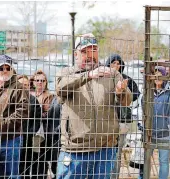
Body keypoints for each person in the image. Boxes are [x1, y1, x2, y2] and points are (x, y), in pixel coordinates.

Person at [56, 33, 132, 179]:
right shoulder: (66, 73)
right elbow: (60, 89)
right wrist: (89, 75)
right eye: (85, 51)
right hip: (75, 150)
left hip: (105, 149)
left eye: (94, 50)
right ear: (76, 54)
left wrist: (121, 92)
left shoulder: (112, 74)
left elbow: (127, 101)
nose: (90, 55)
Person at [0, 55, 29, 178]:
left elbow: (23, 112)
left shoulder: (18, 88)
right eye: (2, 68)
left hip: (10, 140)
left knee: (12, 176)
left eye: (8, 68)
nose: (5, 71)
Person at [138, 66, 170, 179]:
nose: (158, 78)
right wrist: (143, 125)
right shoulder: (146, 93)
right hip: (149, 134)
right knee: (144, 161)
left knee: (164, 162)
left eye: (160, 75)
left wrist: (168, 125)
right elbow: (141, 109)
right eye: (155, 75)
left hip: (166, 134)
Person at [105, 54, 140, 178]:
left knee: (117, 153)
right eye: (113, 62)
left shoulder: (125, 78)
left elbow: (137, 93)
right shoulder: (104, 78)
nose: (116, 65)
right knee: (105, 153)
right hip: (106, 121)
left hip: (121, 121)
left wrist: (126, 97)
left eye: (118, 63)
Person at [30, 70, 61, 178]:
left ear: (46, 82)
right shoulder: (29, 94)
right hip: (29, 131)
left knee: (39, 158)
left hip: (42, 132)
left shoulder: (49, 96)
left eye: (43, 81)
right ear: (33, 82)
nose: (40, 83)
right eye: (37, 80)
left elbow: (48, 114)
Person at [18, 75, 42, 179]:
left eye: (27, 85)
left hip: (27, 138)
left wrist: (28, 133)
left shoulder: (33, 100)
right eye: (22, 85)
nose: (25, 87)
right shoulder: (10, 98)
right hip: (11, 138)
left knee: (25, 165)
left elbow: (37, 120)